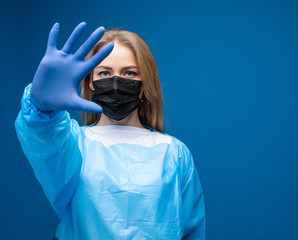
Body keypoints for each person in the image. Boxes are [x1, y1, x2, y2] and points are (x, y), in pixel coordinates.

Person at [14, 22, 205, 240]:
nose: (116, 82)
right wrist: (40, 105)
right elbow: (43, 134)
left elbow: (191, 230)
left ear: (145, 82)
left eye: (130, 73)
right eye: (104, 73)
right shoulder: (71, 144)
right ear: (91, 81)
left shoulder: (174, 153)